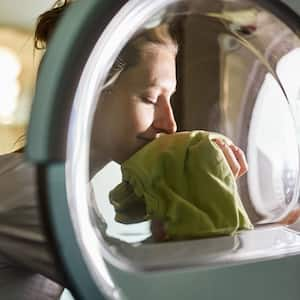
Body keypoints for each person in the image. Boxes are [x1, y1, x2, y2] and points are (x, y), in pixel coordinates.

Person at [2, 0, 296, 299]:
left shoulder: (63, 189)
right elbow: (134, 290)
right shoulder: (30, 191)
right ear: (91, 94)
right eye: (151, 98)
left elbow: (132, 264)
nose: (169, 123)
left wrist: (273, 234)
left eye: (170, 100)